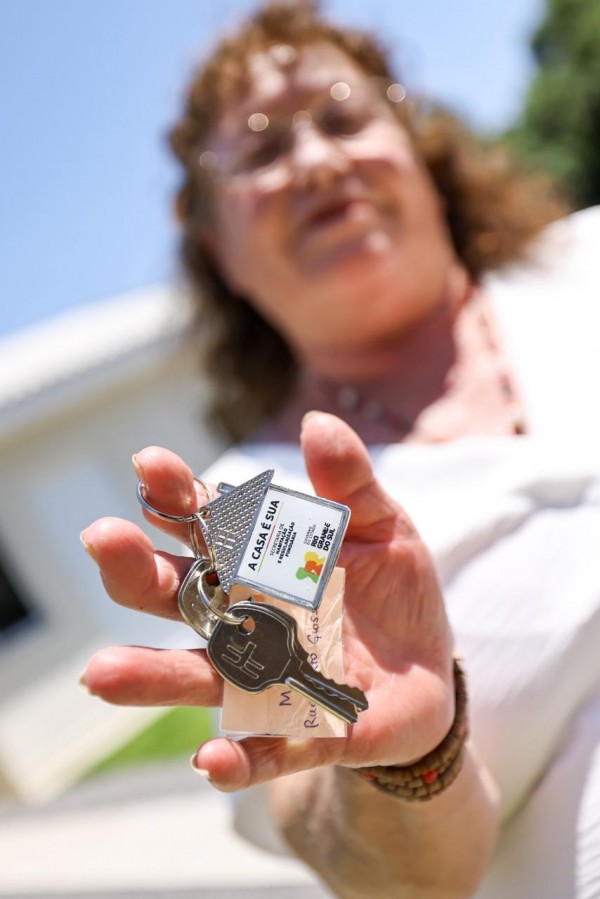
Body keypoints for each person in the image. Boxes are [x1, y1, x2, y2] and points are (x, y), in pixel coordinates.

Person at [80, 1, 600, 896]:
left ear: (421, 154)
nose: (317, 159)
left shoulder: (586, 259)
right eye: (264, 148)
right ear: (219, 247)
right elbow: (389, 873)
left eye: (346, 116)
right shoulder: (251, 505)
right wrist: (411, 757)